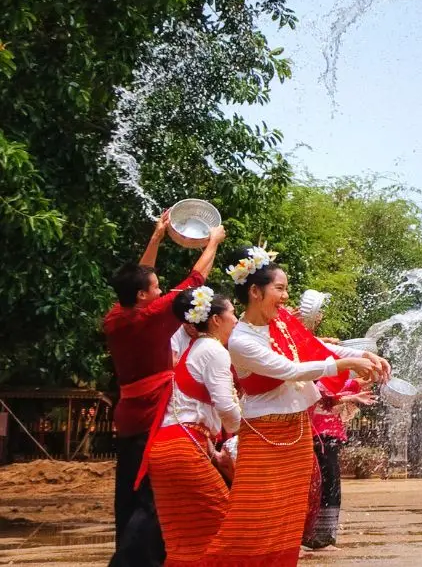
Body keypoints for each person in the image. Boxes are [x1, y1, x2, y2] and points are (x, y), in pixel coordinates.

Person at [200, 248, 386, 567]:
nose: (286, 297)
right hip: (265, 435)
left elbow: (314, 346)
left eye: (286, 288)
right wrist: (346, 363)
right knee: (255, 516)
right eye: (280, 289)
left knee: (288, 517)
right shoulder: (241, 340)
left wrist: (360, 355)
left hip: (297, 430)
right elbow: (290, 369)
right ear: (255, 292)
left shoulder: (281, 321)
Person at [104, 212, 225, 567]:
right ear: (145, 296)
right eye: (156, 288)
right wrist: (214, 241)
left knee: (128, 492)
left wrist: (156, 238)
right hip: (152, 412)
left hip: (127, 414)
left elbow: (139, 280)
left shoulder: (117, 315)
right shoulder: (150, 316)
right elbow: (195, 281)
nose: (160, 290)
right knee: (153, 496)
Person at [138, 288, 240, 567]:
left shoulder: (195, 348)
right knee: (225, 527)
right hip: (182, 450)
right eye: (232, 313)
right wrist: (254, 429)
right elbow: (227, 410)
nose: (236, 319)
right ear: (216, 320)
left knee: (185, 539)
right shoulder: (214, 351)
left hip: (171, 448)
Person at [298, 290, 377, 551]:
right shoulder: (312, 356)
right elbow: (320, 394)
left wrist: (353, 388)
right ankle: (315, 534)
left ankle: (323, 534)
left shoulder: (320, 355)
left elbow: (332, 388)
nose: (320, 316)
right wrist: (345, 395)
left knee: (329, 480)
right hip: (314, 429)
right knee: (323, 481)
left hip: (325, 430)